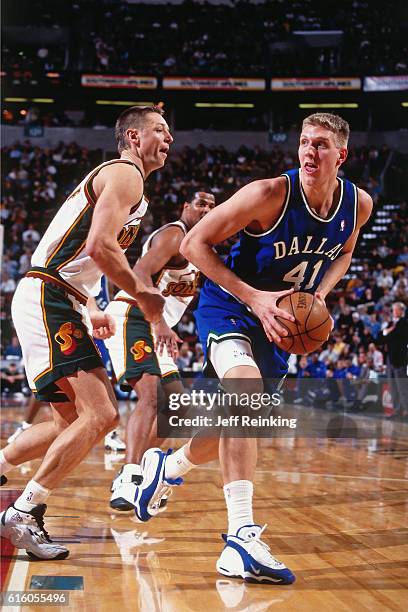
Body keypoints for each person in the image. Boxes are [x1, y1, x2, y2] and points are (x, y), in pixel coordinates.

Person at [180, 113, 372, 584]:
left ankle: (165, 470)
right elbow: (192, 244)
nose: (309, 152)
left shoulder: (359, 204)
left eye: (321, 145)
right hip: (230, 306)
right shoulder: (267, 194)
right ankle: (240, 538)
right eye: (305, 142)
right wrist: (254, 298)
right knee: (244, 395)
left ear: (340, 156)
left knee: (215, 437)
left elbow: (345, 251)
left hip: (283, 322)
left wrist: (322, 294)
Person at [0, 105, 171, 560]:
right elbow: (99, 247)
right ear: (133, 138)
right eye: (159, 130)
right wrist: (143, 294)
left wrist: (90, 304)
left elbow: (77, 253)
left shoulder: (126, 183)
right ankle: (24, 511)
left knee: (70, 421)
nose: (168, 138)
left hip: (58, 295)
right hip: (51, 297)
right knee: (102, 414)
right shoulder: (125, 174)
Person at [105, 189, 219, 516]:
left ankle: (145, 466)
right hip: (135, 316)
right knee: (152, 398)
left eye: (212, 206)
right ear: (186, 207)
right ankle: (129, 477)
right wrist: (159, 323)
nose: (206, 210)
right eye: (201, 204)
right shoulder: (174, 235)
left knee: (178, 412)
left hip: (156, 326)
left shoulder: (199, 248)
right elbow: (138, 274)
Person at [380, 301, 408, 418]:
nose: (394, 312)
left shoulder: (404, 322)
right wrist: (388, 332)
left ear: (402, 311)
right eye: (393, 309)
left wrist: (388, 332)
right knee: (393, 386)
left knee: (402, 386)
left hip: (400, 358)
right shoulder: (391, 323)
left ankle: (406, 410)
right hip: (390, 358)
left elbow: (395, 336)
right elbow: (380, 337)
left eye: (396, 309)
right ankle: (397, 410)